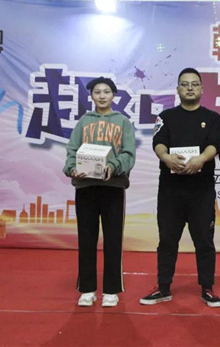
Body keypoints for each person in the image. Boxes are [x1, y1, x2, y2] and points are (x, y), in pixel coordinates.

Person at [139, 67, 220, 308]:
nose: (189, 88)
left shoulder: (213, 118)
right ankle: (163, 287)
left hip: (201, 191)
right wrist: (165, 158)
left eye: (194, 84)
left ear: (202, 89)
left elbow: (215, 144)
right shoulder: (166, 117)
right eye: (184, 84)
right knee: (167, 240)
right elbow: (158, 142)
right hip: (171, 191)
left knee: (204, 241)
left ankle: (207, 288)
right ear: (177, 89)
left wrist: (201, 159)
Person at [63, 76, 136, 308]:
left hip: (113, 187)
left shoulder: (123, 122)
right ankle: (87, 289)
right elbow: (72, 151)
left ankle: (111, 290)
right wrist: (72, 168)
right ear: (91, 96)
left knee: (113, 239)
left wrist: (113, 166)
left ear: (113, 95)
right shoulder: (83, 122)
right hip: (85, 187)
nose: (102, 96)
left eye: (106, 92)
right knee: (86, 239)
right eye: (97, 92)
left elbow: (128, 153)